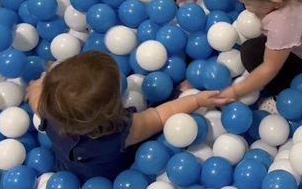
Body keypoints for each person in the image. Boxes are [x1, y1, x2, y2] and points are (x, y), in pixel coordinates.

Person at [26, 51, 219, 181]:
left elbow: (34, 91)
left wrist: (40, 83)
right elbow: (160, 116)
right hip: (117, 173)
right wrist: (196, 101)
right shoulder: (121, 131)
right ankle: (179, 88)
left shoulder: (45, 109)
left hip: (67, 172)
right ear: (111, 108)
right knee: (161, 112)